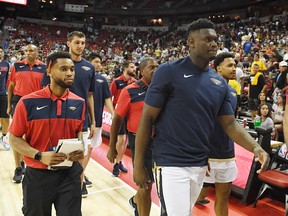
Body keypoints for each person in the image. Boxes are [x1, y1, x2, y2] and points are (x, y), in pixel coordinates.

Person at [133, 18, 270, 216]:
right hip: (170, 161)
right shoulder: (168, 72)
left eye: (215, 39)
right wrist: (138, 165)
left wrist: (256, 147)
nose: (213, 43)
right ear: (191, 42)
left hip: (199, 163)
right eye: (207, 39)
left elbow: (230, 123)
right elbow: (147, 119)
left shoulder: (219, 83)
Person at [9, 51, 85, 216]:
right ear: (49, 70)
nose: (70, 73)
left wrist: (80, 149)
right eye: (63, 68)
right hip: (38, 175)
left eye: (72, 69)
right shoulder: (27, 102)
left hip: (70, 175)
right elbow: (14, 138)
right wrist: (39, 155)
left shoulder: (79, 102)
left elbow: (78, 132)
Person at [42, 31, 96, 197]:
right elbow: (45, 90)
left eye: (83, 42)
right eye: (77, 42)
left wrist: (93, 120)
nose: (80, 45)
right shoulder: (56, 64)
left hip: (80, 120)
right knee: (53, 155)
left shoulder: (89, 68)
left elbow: (89, 95)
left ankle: (78, 187)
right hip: (55, 117)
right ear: (68, 43)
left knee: (80, 156)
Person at [107, 57, 158, 216]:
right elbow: (117, 119)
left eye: (158, 66)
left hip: (161, 140)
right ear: (141, 71)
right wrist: (112, 146)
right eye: (151, 67)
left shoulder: (163, 89)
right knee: (146, 184)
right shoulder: (129, 90)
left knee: (152, 183)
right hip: (140, 141)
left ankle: (135, 201)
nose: (156, 69)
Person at [195, 52, 238, 216]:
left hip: (226, 153)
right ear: (218, 68)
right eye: (230, 65)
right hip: (204, 154)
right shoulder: (204, 89)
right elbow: (198, 123)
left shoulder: (233, 92)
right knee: (190, 197)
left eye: (235, 65)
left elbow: (231, 123)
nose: (234, 68)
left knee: (223, 198)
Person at [7, 44, 46, 183]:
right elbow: (11, 86)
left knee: (31, 136)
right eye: (27, 51)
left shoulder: (43, 67)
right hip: (18, 101)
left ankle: (29, 163)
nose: (28, 53)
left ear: (37, 52)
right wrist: (9, 105)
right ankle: (18, 167)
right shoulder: (17, 66)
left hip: (36, 103)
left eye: (32, 50)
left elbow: (45, 88)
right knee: (16, 135)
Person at [86, 52, 114, 186]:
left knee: (89, 149)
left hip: (96, 120)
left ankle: (81, 173)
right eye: (96, 62)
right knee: (84, 148)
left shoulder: (102, 80)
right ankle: (79, 176)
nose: (99, 65)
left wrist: (113, 114)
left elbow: (107, 98)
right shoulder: (81, 76)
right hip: (83, 120)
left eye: (99, 62)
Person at [109, 61, 136, 177]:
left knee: (125, 141)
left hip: (130, 114)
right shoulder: (117, 81)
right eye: (131, 67)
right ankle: (115, 164)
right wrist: (112, 112)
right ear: (125, 68)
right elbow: (109, 97)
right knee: (121, 139)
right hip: (120, 115)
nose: (134, 68)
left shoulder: (135, 82)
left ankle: (119, 162)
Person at [0, 46, 10, 150]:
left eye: (1, 51)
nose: (0, 53)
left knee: (6, 117)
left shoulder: (6, 64)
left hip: (3, 93)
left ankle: (4, 137)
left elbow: (6, 78)